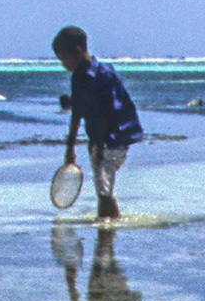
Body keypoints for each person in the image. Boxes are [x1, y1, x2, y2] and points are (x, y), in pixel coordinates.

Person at [50, 25, 143, 221]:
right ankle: (113, 221)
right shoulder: (78, 78)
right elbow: (77, 112)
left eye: (63, 60)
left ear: (76, 52)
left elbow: (107, 112)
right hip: (97, 141)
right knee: (104, 187)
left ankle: (104, 233)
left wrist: (99, 144)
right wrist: (70, 146)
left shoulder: (104, 75)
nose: (63, 65)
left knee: (103, 191)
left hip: (114, 138)